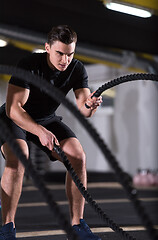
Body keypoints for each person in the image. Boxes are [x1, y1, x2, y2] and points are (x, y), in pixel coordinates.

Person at [0, 25, 102, 240]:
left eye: (70, 54)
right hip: (14, 118)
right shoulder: (28, 64)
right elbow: (13, 109)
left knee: (77, 157)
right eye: (60, 54)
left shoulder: (76, 69)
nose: (65, 60)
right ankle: (7, 227)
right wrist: (40, 132)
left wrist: (91, 105)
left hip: (46, 118)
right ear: (47, 48)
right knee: (19, 157)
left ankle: (77, 225)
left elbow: (84, 108)